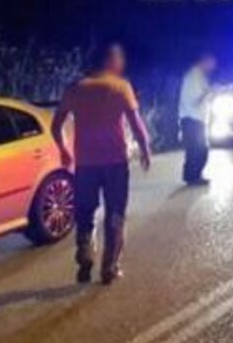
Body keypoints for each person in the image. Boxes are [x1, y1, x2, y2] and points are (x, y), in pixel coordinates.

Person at [52, 43, 153, 285]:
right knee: (115, 214)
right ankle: (110, 267)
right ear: (110, 61)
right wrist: (145, 149)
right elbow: (136, 124)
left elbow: (56, 125)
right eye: (119, 58)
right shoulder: (120, 87)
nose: (122, 63)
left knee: (85, 212)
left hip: (85, 164)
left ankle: (85, 251)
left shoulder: (75, 89)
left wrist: (64, 150)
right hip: (115, 163)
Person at [178, 53, 217, 185]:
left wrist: (212, 92)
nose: (213, 66)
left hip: (197, 118)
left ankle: (193, 176)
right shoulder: (193, 77)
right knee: (197, 150)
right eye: (211, 63)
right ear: (204, 61)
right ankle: (192, 177)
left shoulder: (200, 77)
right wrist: (209, 91)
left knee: (197, 150)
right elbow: (195, 100)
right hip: (192, 118)